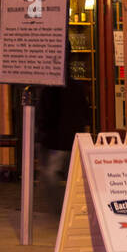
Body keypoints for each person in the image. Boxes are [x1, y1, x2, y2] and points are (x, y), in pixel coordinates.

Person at [37, 53, 91, 216]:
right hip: (73, 137)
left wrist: (42, 133)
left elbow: (44, 115)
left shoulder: (49, 89)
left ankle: (61, 208)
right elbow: (85, 112)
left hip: (56, 139)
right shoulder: (76, 87)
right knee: (71, 174)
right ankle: (73, 206)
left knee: (50, 173)